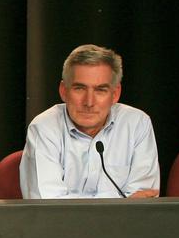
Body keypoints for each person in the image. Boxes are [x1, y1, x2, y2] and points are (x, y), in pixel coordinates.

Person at [20, 44, 160, 199]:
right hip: (61, 224)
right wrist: (121, 206)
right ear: (63, 91)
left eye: (100, 90)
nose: (89, 102)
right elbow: (49, 207)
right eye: (79, 88)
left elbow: (144, 203)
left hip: (127, 224)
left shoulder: (137, 124)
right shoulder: (44, 128)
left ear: (115, 94)